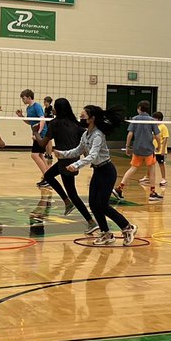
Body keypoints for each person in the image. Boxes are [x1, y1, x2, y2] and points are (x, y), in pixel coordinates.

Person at [61, 105, 135, 246]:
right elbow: (78, 150)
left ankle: (128, 227)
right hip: (98, 171)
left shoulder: (98, 135)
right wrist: (62, 154)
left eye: (83, 117)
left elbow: (93, 155)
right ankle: (106, 233)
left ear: (92, 118)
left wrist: (76, 165)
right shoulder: (86, 134)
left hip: (107, 171)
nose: (80, 119)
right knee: (94, 205)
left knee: (103, 205)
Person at [36, 97, 96, 235]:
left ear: (58, 109)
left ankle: (91, 222)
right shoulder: (75, 124)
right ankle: (67, 201)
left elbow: (42, 144)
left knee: (73, 193)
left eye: (55, 107)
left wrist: (36, 134)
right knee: (48, 176)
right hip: (73, 158)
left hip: (65, 161)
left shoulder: (54, 123)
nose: (54, 109)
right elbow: (86, 138)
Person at [114, 101, 161, 203]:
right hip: (149, 149)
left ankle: (119, 188)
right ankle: (152, 193)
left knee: (132, 168)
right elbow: (157, 135)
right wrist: (159, 146)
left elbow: (130, 134)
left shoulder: (134, 119)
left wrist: (127, 146)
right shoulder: (151, 120)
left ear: (139, 108)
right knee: (152, 170)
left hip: (137, 149)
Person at [15, 89, 49, 185]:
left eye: (24, 98)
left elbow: (42, 120)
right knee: (40, 155)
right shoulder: (28, 108)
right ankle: (49, 177)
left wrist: (37, 133)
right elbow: (30, 122)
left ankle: (47, 178)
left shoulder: (37, 106)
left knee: (34, 155)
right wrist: (21, 116)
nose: (23, 100)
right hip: (37, 133)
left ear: (29, 97)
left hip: (41, 134)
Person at [152, 111, 169, 187]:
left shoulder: (163, 127)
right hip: (153, 149)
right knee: (150, 164)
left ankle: (164, 178)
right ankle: (147, 177)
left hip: (160, 149)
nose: (153, 119)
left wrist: (163, 150)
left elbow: (165, 138)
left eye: (154, 118)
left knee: (161, 164)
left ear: (159, 119)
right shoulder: (154, 127)